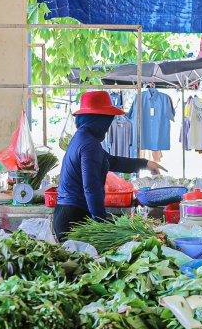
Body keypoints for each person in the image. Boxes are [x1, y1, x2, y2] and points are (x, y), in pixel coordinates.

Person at [54, 91, 166, 241]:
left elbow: (112, 162)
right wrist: (101, 222)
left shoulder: (84, 138)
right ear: (98, 119)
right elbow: (91, 188)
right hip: (73, 217)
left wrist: (145, 163)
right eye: (107, 120)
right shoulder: (89, 144)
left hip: (71, 213)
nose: (107, 128)